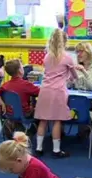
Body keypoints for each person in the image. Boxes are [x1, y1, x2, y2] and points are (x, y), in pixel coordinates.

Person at [34, 28, 78, 158]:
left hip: (45, 90)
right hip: (58, 92)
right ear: (65, 42)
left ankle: (39, 148)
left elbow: (49, 72)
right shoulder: (67, 58)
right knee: (57, 121)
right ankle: (56, 150)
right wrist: (70, 75)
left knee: (43, 120)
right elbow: (74, 76)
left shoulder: (47, 57)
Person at [0, 59, 40, 138]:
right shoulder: (26, 84)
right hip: (25, 114)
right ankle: (29, 133)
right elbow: (40, 92)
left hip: (9, 113)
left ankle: (17, 128)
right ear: (20, 71)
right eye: (22, 67)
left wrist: (2, 104)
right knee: (40, 113)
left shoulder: (5, 85)